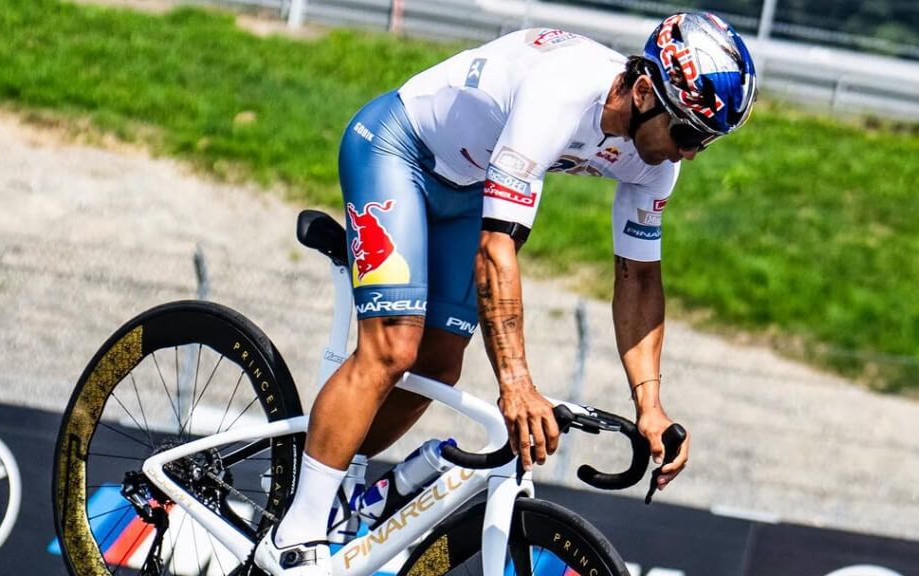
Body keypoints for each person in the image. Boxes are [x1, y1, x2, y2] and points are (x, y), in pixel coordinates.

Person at [255, 11, 758, 575]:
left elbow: (638, 278)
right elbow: (498, 250)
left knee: (439, 366)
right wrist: (515, 384)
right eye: (688, 133)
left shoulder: (654, 162)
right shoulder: (562, 91)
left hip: (468, 186)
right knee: (394, 348)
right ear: (643, 90)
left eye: (706, 143)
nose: (690, 153)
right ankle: (294, 535)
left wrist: (651, 407)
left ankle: (337, 496)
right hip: (398, 152)